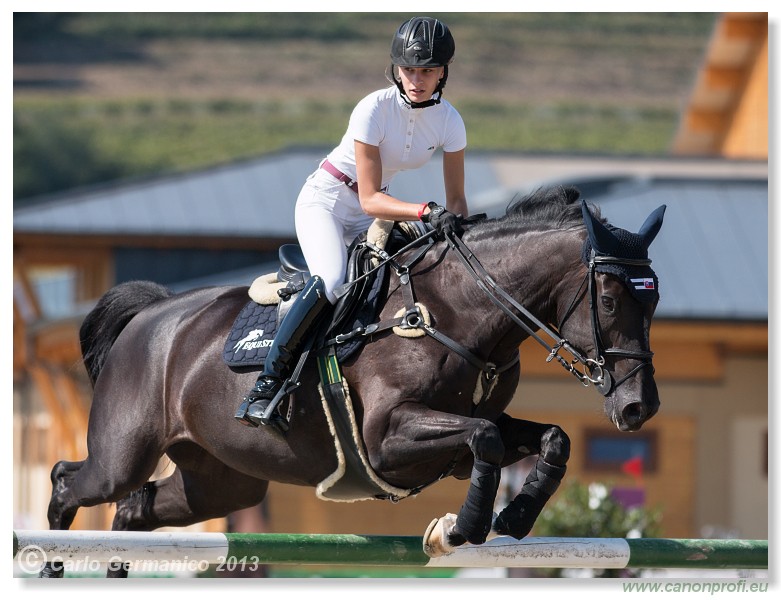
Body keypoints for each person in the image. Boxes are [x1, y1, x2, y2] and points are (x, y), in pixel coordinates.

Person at [235, 16, 469, 430]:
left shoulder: (450, 121)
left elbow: (457, 202)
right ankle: (267, 385)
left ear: (443, 73)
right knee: (330, 280)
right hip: (328, 201)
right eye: (410, 69)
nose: (417, 79)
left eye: (428, 70)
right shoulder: (373, 108)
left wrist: (463, 244)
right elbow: (369, 196)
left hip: (372, 211)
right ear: (396, 70)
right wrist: (424, 211)